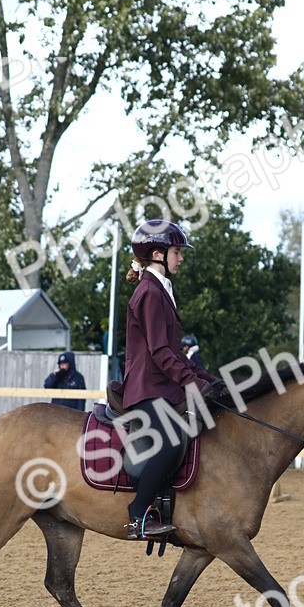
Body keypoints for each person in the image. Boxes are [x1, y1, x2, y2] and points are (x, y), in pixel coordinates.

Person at [120, 219, 225, 540]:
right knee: (174, 439)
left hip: (162, 386)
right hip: (146, 388)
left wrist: (210, 380)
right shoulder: (149, 292)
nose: (181, 258)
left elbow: (176, 354)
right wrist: (193, 385)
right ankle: (137, 515)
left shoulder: (161, 289)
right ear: (157, 253)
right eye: (177, 252)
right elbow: (159, 352)